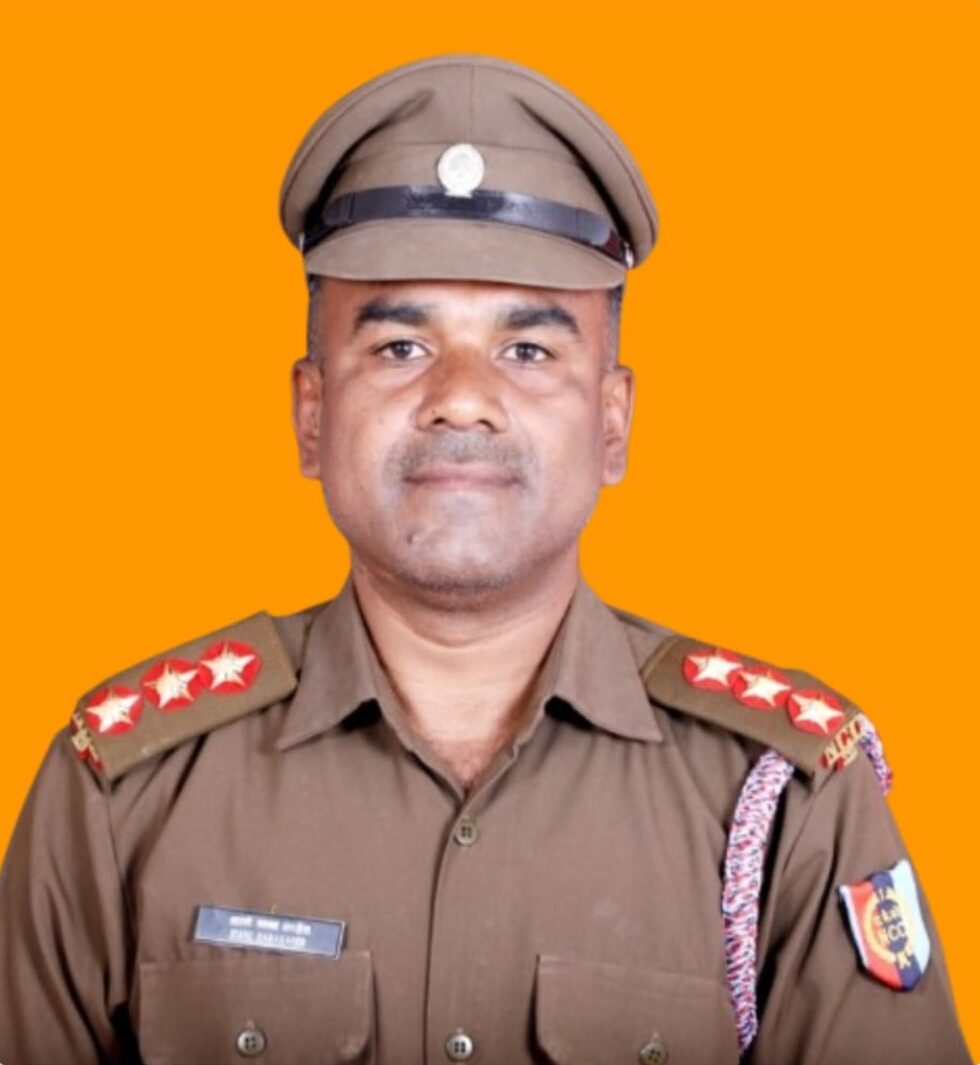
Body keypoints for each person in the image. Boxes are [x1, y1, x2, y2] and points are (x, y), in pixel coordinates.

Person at [0, 54, 971, 1065]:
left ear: (611, 422)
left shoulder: (783, 801)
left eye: (527, 350)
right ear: (311, 414)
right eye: (400, 347)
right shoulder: (124, 794)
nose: (461, 398)